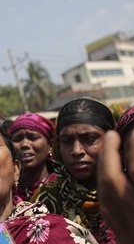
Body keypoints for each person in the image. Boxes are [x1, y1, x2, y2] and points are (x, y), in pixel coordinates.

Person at [33, 98, 115, 231]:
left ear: (112, 140)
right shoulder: (45, 200)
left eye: (90, 139)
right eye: (66, 140)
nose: (76, 151)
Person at [8, 113, 55, 202]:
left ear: (51, 146)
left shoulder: (62, 189)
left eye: (32, 137)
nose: (24, 144)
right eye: (18, 138)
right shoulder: (6, 193)